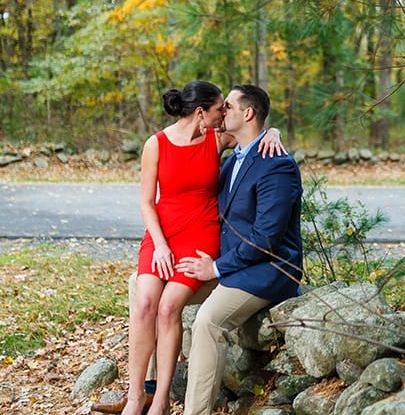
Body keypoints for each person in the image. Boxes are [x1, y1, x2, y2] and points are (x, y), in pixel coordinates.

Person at [114, 81, 284, 415]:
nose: (224, 113)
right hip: (162, 234)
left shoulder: (218, 138)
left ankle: (161, 399)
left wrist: (275, 132)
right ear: (200, 112)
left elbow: (256, 131)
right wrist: (160, 247)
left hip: (201, 233)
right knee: (146, 300)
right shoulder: (156, 144)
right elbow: (147, 202)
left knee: (168, 307)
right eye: (221, 108)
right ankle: (136, 397)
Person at [176, 84, 303, 415]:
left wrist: (215, 269)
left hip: (268, 270)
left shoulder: (277, 164)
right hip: (230, 264)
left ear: (247, 113)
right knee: (152, 289)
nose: (222, 111)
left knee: (207, 321)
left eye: (228, 106)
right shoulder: (232, 160)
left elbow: (266, 239)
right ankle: (149, 391)